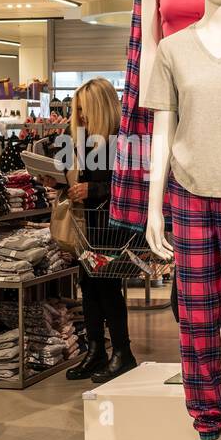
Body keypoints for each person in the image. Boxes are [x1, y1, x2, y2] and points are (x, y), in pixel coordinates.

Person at [59, 77, 138, 383]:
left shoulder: (121, 141)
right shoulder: (79, 139)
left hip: (111, 225)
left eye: (84, 109)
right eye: (77, 110)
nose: (79, 116)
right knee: (88, 287)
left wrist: (93, 189)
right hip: (84, 226)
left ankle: (122, 351)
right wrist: (54, 179)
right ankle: (96, 350)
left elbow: (130, 186)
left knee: (107, 289)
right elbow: (64, 171)